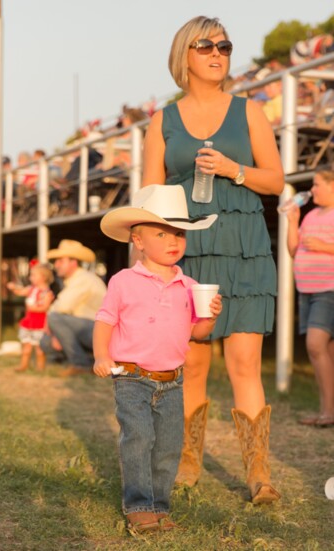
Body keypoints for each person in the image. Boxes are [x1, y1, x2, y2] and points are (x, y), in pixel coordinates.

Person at [141, 16, 284, 504]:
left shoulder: (250, 112)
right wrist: (150, 263)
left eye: (224, 45)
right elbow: (149, 196)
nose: (218, 52)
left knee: (245, 363)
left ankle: (258, 475)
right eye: (206, 46)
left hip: (245, 248)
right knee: (194, 363)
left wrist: (234, 169)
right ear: (185, 56)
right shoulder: (163, 120)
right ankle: (188, 463)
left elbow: (277, 181)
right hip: (189, 251)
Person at [93, 184, 222, 532]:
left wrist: (209, 315)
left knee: (167, 445)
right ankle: (138, 507)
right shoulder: (123, 281)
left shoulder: (188, 284)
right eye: (161, 233)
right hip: (132, 377)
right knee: (138, 439)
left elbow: (197, 334)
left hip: (172, 380)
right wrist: (101, 355)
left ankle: (159, 507)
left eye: (179, 233)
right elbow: (105, 319)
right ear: (138, 240)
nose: (173, 241)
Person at [287, 167, 334, 427]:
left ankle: (328, 413)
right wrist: (293, 222)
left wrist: (325, 247)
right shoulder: (311, 216)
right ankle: (327, 410)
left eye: (317, 185)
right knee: (325, 351)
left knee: (315, 345)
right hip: (307, 289)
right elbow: (293, 249)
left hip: (328, 288)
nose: (312, 190)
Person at [40, 240, 107, 377]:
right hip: (85, 329)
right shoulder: (75, 279)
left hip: (98, 331)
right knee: (45, 342)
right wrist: (56, 332)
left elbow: (61, 308)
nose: (56, 264)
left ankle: (80, 364)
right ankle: (89, 359)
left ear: (73, 262)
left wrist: (55, 328)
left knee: (54, 319)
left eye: (60, 260)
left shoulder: (82, 279)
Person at [7, 260, 54, 372]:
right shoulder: (31, 289)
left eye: (33, 275)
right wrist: (14, 288)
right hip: (28, 322)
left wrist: (33, 308)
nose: (30, 277)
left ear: (43, 277)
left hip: (40, 324)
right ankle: (23, 365)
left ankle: (40, 367)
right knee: (26, 347)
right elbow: (20, 292)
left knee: (39, 349)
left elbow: (45, 308)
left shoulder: (47, 293)